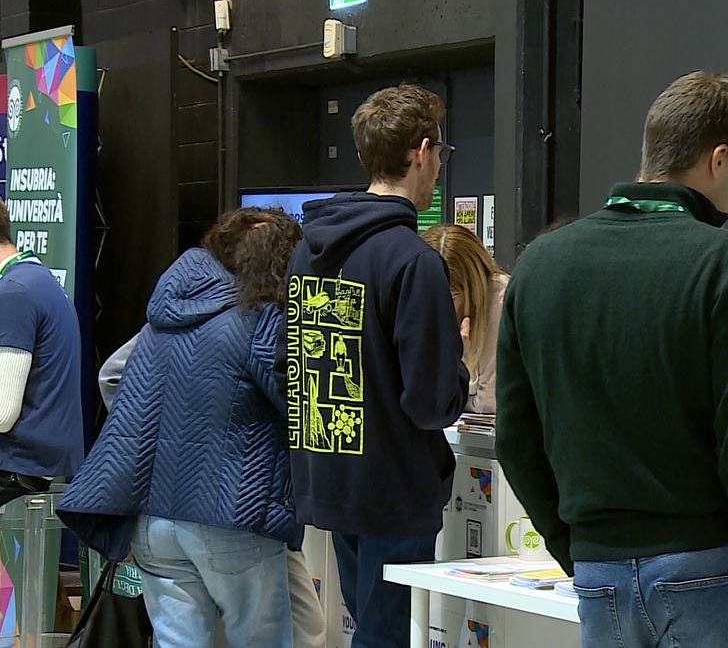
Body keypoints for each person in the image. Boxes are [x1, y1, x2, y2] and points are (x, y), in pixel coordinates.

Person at [495, 71, 728, 648]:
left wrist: (574, 547)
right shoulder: (723, 260)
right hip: (707, 567)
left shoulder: (541, 263)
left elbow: (515, 440)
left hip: (598, 568)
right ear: (717, 159)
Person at [275, 84, 469, 648]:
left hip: (329, 474)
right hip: (393, 489)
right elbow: (431, 402)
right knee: (384, 637)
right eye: (440, 155)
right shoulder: (412, 261)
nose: (438, 168)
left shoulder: (307, 250)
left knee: (368, 628)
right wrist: (452, 359)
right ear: (422, 150)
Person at [57, 208, 304, 648]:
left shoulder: (161, 321)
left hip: (153, 522)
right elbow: (299, 406)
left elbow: (115, 382)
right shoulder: (264, 321)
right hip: (233, 517)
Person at [96, 328, 326, 648]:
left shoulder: (171, 313)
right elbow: (302, 406)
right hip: (237, 505)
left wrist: (170, 444)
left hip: (159, 512)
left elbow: (113, 374)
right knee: (298, 631)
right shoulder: (261, 320)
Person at [0, 198, 83, 500]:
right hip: (39, 455)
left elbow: (3, 412)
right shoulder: (33, 277)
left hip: (22, 461)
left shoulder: (14, 291)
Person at [421, 223, 509, 413]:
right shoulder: (417, 302)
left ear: (473, 287)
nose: (438, 308)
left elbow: (489, 402)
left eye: (451, 297)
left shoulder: (499, 299)